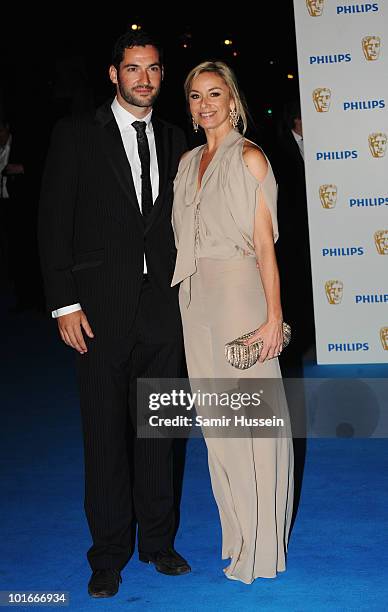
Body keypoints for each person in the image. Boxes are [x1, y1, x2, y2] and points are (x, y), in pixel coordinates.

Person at [38, 31, 190, 599]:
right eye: (132, 69)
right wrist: (64, 303)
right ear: (113, 74)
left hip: (164, 311)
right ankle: (107, 555)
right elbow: (53, 223)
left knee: (159, 431)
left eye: (152, 69)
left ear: (162, 74)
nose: (143, 79)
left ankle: (157, 541)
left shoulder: (178, 138)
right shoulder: (77, 134)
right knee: (104, 434)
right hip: (98, 311)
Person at [171, 61, 294, 584]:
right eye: (196, 95)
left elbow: (266, 247)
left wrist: (274, 318)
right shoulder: (187, 162)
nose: (205, 104)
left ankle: (263, 544)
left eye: (214, 93)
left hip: (241, 296)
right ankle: (238, 532)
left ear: (233, 100)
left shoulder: (250, 159)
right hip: (194, 300)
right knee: (218, 426)